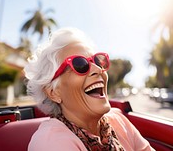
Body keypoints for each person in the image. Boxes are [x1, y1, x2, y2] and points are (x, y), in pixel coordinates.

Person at [24, 27, 155, 151]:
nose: (98, 69)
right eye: (80, 64)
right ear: (53, 92)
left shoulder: (118, 120)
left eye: (97, 61)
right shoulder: (50, 143)